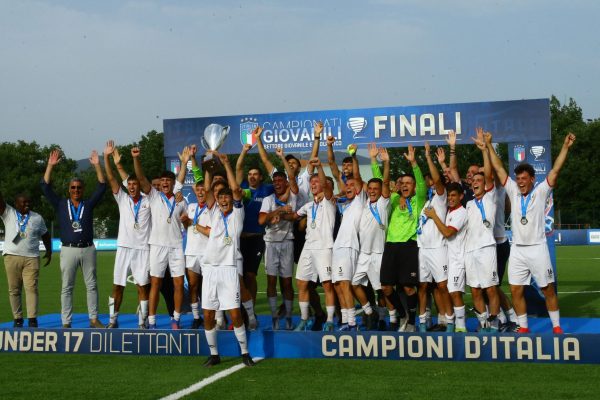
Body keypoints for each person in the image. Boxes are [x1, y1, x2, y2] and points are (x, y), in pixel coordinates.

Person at [487, 131, 576, 334]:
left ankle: (556, 326)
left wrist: (565, 148)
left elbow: (555, 171)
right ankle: (524, 327)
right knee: (516, 290)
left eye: (524, 178)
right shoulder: (512, 191)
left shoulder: (541, 191)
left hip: (537, 248)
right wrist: (490, 145)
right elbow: (499, 168)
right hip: (517, 249)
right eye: (518, 178)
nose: (520, 182)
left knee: (547, 290)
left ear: (532, 179)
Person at [197, 152, 255, 367]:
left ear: (232, 199)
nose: (222, 199)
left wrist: (226, 164)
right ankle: (214, 354)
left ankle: (244, 353)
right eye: (220, 197)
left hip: (229, 268)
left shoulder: (237, 214)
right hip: (210, 269)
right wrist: (210, 169)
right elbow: (208, 187)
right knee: (208, 314)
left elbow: (236, 189)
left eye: (226, 197)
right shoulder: (212, 211)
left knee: (234, 313)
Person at [41, 149, 106, 328]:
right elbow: (45, 187)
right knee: (67, 287)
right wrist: (50, 165)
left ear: (83, 189)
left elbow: (102, 186)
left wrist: (97, 165)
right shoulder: (61, 204)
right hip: (68, 249)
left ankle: (93, 319)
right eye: (73, 187)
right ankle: (66, 322)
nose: (76, 190)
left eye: (79, 187)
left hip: (87, 249)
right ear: (69, 190)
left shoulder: (88, 204)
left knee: (91, 285)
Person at [132, 146, 189, 329]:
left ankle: (176, 318)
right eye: (162, 180)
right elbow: (141, 178)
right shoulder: (154, 196)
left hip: (176, 246)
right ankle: (152, 320)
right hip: (157, 246)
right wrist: (136, 159)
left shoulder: (181, 200)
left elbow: (187, 224)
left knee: (178, 283)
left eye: (168, 180)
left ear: (173, 183)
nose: (165, 183)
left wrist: (185, 163)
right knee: (155, 283)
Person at [103, 141, 151, 329]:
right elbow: (111, 178)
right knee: (118, 286)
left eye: (134, 184)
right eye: (129, 184)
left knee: (142, 286)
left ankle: (142, 322)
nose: (131, 187)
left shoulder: (149, 200)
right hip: (124, 248)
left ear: (139, 185)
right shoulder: (122, 198)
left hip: (142, 249)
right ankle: (113, 320)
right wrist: (106, 158)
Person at [379, 145, 426, 332]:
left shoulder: (418, 201)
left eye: (409, 183)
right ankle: (402, 314)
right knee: (386, 287)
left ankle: (412, 322)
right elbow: (383, 184)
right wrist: (382, 163)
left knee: (408, 287)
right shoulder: (393, 199)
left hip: (408, 246)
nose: (406, 185)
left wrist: (414, 162)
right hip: (390, 246)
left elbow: (422, 183)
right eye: (403, 183)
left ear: (414, 186)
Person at [463, 129, 501, 331]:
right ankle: (483, 322)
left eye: (480, 181)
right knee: (475, 290)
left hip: (486, 248)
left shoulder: (490, 197)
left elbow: (488, 174)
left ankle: (494, 323)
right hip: (470, 251)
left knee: (490, 288)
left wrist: (485, 150)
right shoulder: (469, 204)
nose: (476, 183)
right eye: (474, 182)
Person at [294, 157, 337, 331]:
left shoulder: (329, 201)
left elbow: (326, 186)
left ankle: (330, 320)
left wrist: (319, 166)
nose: (313, 184)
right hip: (308, 248)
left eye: (316, 182)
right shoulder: (308, 205)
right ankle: (304, 319)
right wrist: (279, 214)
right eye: (311, 182)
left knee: (327, 285)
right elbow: (295, 216)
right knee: (302, 283)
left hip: (325, 248)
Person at [258, 147, 299, 330]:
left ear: (286, 182)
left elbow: (294, 217)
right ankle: (275, 316)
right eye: (274, 181)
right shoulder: (268, 199)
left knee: (287, 282)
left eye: (280, 181)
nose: (277, 184)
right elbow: (261, 220)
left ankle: (289, 316)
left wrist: (282, 158)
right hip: (271, 243)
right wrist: (279, 211)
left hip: (287, 242)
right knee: (271, 281)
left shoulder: (293, 195)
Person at [352, 144, 391, 331]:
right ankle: (369, 311)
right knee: (354, 283)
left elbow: (385, 181)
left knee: (381, 289)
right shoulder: (365, 202)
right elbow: (357, 178)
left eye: (376, 188)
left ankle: (386, 319)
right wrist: (354, 157)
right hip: (363, 254)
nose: (373, 190)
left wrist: (386, 163)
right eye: (371, 188)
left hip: (378, 253)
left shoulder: (383, 203)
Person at [416, 142, 453, 332]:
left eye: (429, 179)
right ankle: (423, 321)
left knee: (442, 286)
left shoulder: (441, 196)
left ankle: (449, 321)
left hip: (438, 248)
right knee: (423, 286)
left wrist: (429, 157)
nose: (428, 182)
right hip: (423, 249)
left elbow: (438, 180)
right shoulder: (427, 200)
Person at [1, 191, 52, 328]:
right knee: (14, 290)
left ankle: (32, 319)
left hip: (32, 258)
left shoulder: (37, 217)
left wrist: (49, 251)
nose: (27, 204)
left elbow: (46, 235)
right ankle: (18, 318)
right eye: (24, 202)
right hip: (11, 256)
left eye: (28, 202)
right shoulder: (8, 213)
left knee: (32, 288)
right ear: (16, 204)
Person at [331, 144, 366, 331]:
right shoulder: (346, 204)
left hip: (350, 247)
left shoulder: (361, 200)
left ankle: (353, 323)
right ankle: (345, 320)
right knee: (337, 285)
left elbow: (358, 177)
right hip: (338, 247)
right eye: (348, 186)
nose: (350, 187)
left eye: (353, 186)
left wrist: (353, 157)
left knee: (345, 283)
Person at [181, 145, 210, 329]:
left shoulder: (211, 207)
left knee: (207, 288)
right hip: (191, 252)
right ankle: (196, 316)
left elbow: (209, 229)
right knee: (192, 286)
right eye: (197, 190)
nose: (200, 192)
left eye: (203, 190)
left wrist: (194, 159)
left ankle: (213, 316)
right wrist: (185, 221)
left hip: (207, 253)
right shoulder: (190, 206)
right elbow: (185, 226)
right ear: (194, 191)